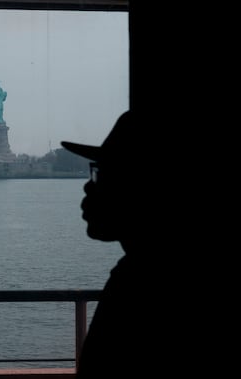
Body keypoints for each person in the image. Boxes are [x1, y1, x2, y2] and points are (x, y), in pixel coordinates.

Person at [61, 110, 211, 376]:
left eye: (101, 173)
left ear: (141, 185)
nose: (87, 187)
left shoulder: (140, 284)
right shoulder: (142, 273)